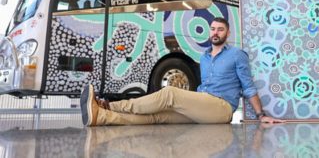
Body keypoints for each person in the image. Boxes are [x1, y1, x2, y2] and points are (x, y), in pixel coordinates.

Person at [80, 17, 285, 126]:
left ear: (227, 33)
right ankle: (101, 117)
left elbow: (248, 86)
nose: (215, 32)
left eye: (220, 29)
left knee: (170, 93)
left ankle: (109, 105)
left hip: (221, 108)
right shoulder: (204, 58)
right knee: (158, 117)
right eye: (213, 29)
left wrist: (260, 115)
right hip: (202, 105)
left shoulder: (237, 54)